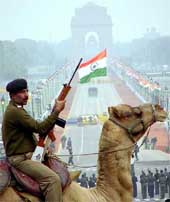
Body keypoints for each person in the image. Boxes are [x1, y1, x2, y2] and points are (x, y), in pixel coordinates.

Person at [2, 78, 66, 202]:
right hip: (21, 159)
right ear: (13, 95)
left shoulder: (17, 109)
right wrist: (57, 111)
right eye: (22, 92)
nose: (26, 95)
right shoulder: (15, 112)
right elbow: (40, 128)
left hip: (26, 155)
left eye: (26, 91)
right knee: (53, 180)